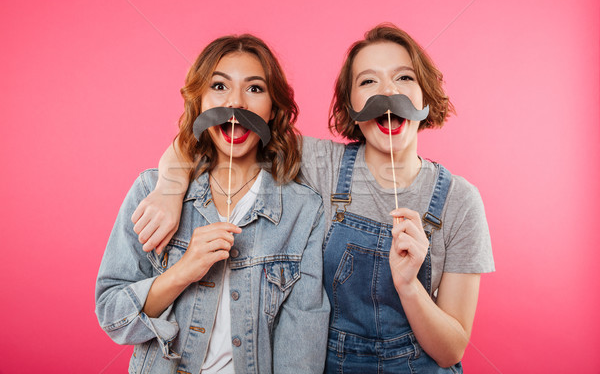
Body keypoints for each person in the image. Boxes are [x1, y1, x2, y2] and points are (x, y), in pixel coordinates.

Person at [133, 24, 494, 373]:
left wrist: (409, 287)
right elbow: (221, 127)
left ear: (424, 95)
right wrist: (169, 186)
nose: (387, 94)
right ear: (349, 103)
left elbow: (452, 350)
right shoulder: (319, 163)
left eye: (404, 78)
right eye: (368, 81)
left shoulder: (459, 201)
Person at [95, 34, 329, 374]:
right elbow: (113, 317)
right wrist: (182, 272)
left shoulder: (303, 210)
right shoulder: (151, 190)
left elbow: (301, 348)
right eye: (219, 87)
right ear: (200, 102)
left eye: (254, 89)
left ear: (273, 107)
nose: (237, 104)